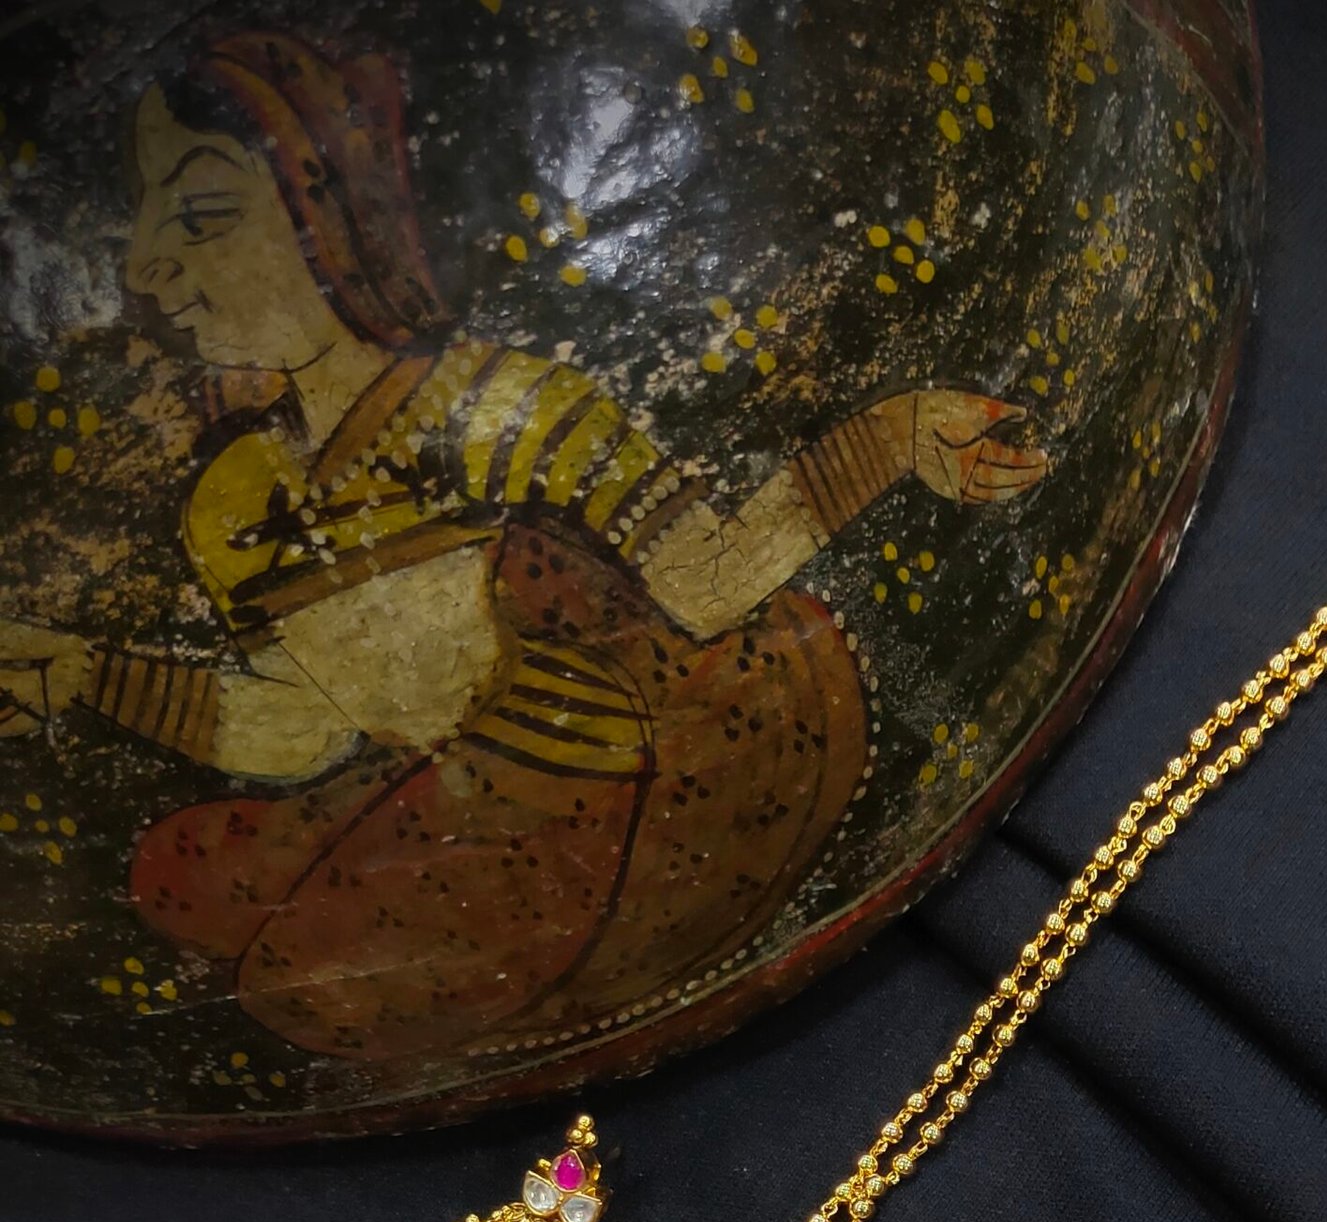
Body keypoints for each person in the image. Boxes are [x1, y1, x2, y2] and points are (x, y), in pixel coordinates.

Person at [0, 31, 1045, 1064]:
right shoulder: (230, 498)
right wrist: (90, 674)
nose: (144, 267)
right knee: (176, 871)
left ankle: (561, 941)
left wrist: (887, 441)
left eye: (203, 214)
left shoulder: (508, 404)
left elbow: (705, 583)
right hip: (436, 780)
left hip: (593, 758)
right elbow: (300, 731)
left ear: (334, 219)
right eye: (148, 224)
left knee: (307, 977)